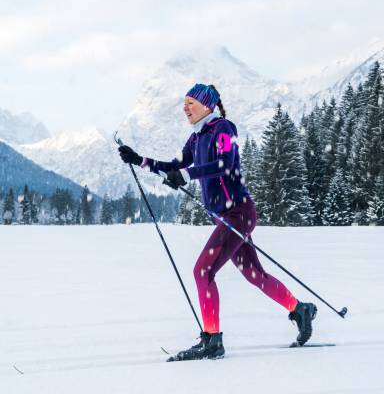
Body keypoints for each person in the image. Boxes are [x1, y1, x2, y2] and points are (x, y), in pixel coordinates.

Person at [118, 83, 317, 361]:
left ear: (207, 105)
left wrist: (187, 175)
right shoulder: (196, 138)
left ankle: (213, 340)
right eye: (184, 103)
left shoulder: (223, 129)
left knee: (203, 271)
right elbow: (175, 165)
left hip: (239, 213)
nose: (185, 108)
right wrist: (139, 160)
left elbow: (225, 163)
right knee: (254, 274)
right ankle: (300, 309)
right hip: (227, 217)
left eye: (190, 103)